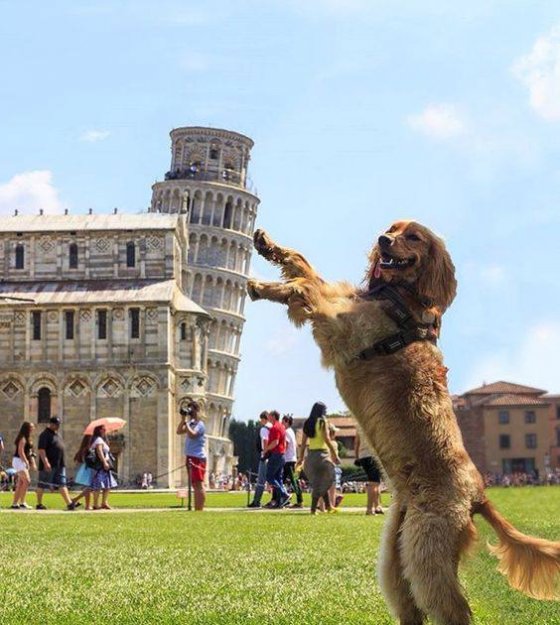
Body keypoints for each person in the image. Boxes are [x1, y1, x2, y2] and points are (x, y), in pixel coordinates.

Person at [296, 402, 340, 514]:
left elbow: (303, 443)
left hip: (311, 456)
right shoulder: (322, 421)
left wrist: (301, 458)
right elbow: (326, 438)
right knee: (324, 481)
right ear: (322, 411)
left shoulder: (308, 423)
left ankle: (329, 506)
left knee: (319, 481)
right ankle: (313, 509)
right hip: (322, 454)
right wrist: (334, 453)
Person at [36, 416, 78, 511]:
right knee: (42, 484)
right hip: (48, 464)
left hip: (59, 464)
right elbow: (41, 450)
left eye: (58, 424)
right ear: (51, 424)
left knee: (62, 483)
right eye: (56, 424)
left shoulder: (57, 435)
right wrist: (46, 462)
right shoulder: (44, 435)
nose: (58, 426)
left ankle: (69, 504)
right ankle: (39, 503)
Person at [176, 398, 207, 511]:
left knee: (199, 484)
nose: (190, 413)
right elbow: (179, 431)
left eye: (192, 411)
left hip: (198, 457)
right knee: (194, 484)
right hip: (190, 456)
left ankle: (200, 509)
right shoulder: (191, 423)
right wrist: (183, 419)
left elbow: (193, 434)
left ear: (197, 411)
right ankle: (197, 508)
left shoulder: (200, 424)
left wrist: (188, 424)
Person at [263, 410, 290, 508]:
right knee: (278, 478)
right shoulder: (282, 427)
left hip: (276, 454)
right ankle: (280, 502)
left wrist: (266, 449)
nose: (268, 417)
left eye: (269, 416)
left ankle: (284, 494)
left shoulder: (275, 427)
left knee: (269, 477)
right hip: (282, 455)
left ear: (274, 416)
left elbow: (275, 442)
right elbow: (285, 443)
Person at [354, 426, 383, 515]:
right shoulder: (376, 425)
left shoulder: (360, 426)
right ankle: (369, 509)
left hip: (362, 456)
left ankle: (378, 506)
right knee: (374, 483)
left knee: (376, 482)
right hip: (373, 456)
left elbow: (356, 443)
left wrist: (357, 457)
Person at [90, 425, 117, 510]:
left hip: (105, 467)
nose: (105, 430)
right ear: (99, 430)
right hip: (100, 466)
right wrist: (104, 462)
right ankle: (95, 504)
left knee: (107, 485)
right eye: (103, 429)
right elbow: (99, 451)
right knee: (98, 485)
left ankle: (104, 503)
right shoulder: (98, 440)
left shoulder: (102, 439)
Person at [247, 411, 271, 508]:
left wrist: (264, 454)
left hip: (265, 455)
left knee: (261, 480)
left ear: (263, 419)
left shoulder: (264, 429)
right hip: (273, 455)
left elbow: (265, 441)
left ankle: (256, 501)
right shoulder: (272, 428)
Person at [11, 422, 36, 509]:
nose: (33, 429)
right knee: (27, 481)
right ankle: (22, 502)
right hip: (19, 461)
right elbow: (20, 451)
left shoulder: (26, 438)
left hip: (19, 461)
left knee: (21, 482)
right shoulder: (23, 438)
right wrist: (26, 462)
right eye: (31, 427)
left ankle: (15, 503)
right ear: (27, 428)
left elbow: (28, 452)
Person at [281, 414, 303, 508]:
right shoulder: (292, 432)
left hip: (288, 460)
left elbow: (285, 445)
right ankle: (285, 499)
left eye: (282, 421)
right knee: (288, 481)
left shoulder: (286, 432)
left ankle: (297, 500)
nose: (281, 423)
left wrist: (280, 454)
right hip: (292, 459)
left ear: (286, 422)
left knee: (291, 481)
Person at [70, 434, 94, 510]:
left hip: (85, 469)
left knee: (88, 487)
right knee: (90, 488)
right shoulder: (88, 449)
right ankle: (75, 499)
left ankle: (87, 505)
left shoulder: (83, 449)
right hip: (88, 469)